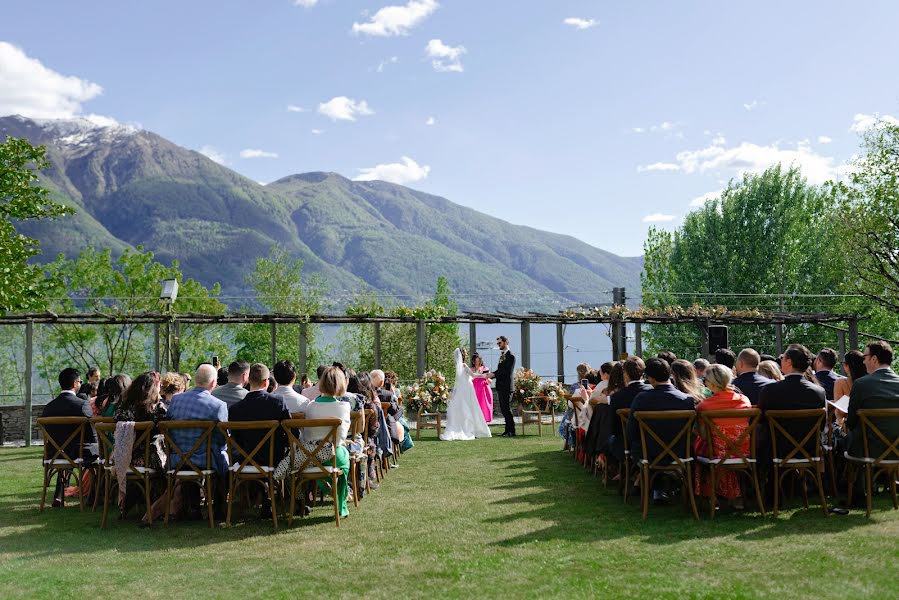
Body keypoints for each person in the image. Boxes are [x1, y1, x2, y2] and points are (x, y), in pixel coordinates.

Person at [165, 364, 229, 520]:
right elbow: (222, 440)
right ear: (213, 383)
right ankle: (219, 509)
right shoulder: (218, 405)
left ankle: (193, 507)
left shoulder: (176, 401)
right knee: (224, 457)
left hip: (176, 459)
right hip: (203, 460)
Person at [627, 358, 695, 502]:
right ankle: (666, 484)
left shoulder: (641, 399)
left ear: (650, 378)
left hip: (649, 453)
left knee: (637, 446)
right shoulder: (687, 400)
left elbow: (631, 431)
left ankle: (654, 484)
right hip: (680, 452)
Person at [694, 364, 752, 505]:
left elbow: (704, 435)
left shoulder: (705, 406)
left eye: (705, 380)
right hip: (745, 452)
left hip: (717, 454)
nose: (704, 382)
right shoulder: (744, 400)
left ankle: (711, 496)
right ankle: (734, 496)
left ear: (712, 384)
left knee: (700, 446)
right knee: (721, 444)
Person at [757, 344, 826, 460]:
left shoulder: (769, 390)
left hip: (777, 451)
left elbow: (761, 420)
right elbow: (822, 425)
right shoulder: (819, 392)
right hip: (809, 450)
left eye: (782, 358)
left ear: (789, 362)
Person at [41, 368, 97, 506]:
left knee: (64, 450)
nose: (80, 384)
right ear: (74, 383)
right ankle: (94, 498)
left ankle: (58, 496)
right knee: (99, 453)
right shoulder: (82, 404)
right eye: (80, 382)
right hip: (77, 454)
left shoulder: (48, 408)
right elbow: (91, 436)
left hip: (53, 454)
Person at [301, 366, 352, 519]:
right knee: (344, 456)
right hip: (334, 455)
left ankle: (327, 487)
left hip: (312, 457)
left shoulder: (310, 407)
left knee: (339, 453)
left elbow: (307, 434)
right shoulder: (344, 406)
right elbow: (341, 437)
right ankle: (340, 502)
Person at [227, 363, 291, 468]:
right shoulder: (277, 402)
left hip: (244, 461)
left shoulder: (235, 409)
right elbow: (290, 433)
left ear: (248, 380)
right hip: (273, 460)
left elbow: (236, 439)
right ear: (266, 382)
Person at [846, 341, 899, 460]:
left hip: (869, 451)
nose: (863, 361)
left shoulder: (860, 384)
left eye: (865, 357)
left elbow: (851, 423)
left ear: (874, 359)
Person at [608, 357, 652, 463]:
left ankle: (625, 472)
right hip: (653, 441)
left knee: (611, 440)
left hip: (628, 444)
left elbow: (614, 428)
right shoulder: (653, 391)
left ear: (626, 374)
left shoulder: (617, 397)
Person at [441, 348, 493, 441]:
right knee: (472, 408)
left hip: (462, 389)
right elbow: (473, 376)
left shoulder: (458, 365)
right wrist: (485, 375)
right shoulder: (464, 365)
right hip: (468, 388)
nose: (467, 354)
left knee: (463, 409)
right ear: (463, 355)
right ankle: (471, 429)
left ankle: (465, 427)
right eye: (465, 353)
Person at [485, 336, 516, 437]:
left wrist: (493, 375)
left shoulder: (511, 356)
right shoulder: (502, 356)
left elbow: (507, 372)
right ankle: (507, 431)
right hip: (501, 386)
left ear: (506, 342)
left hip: (507, 387)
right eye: (498, 344)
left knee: (507, 409)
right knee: (503, 409)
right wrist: (492, 374)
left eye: (500, 343)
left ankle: (511, 431)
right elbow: (500, 370)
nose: (498, 345)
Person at [470, 353, 494, 424]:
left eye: (479, 361)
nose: (477, 363)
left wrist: (486, 377)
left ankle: (484, 421)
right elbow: (470, 379)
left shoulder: (485, 368)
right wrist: (478, 373)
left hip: (484, 389)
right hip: (475, 389)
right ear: (473, 362)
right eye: (476, 361)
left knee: (484, 405)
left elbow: (490, 381)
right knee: (476, 405)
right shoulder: (471, 370)